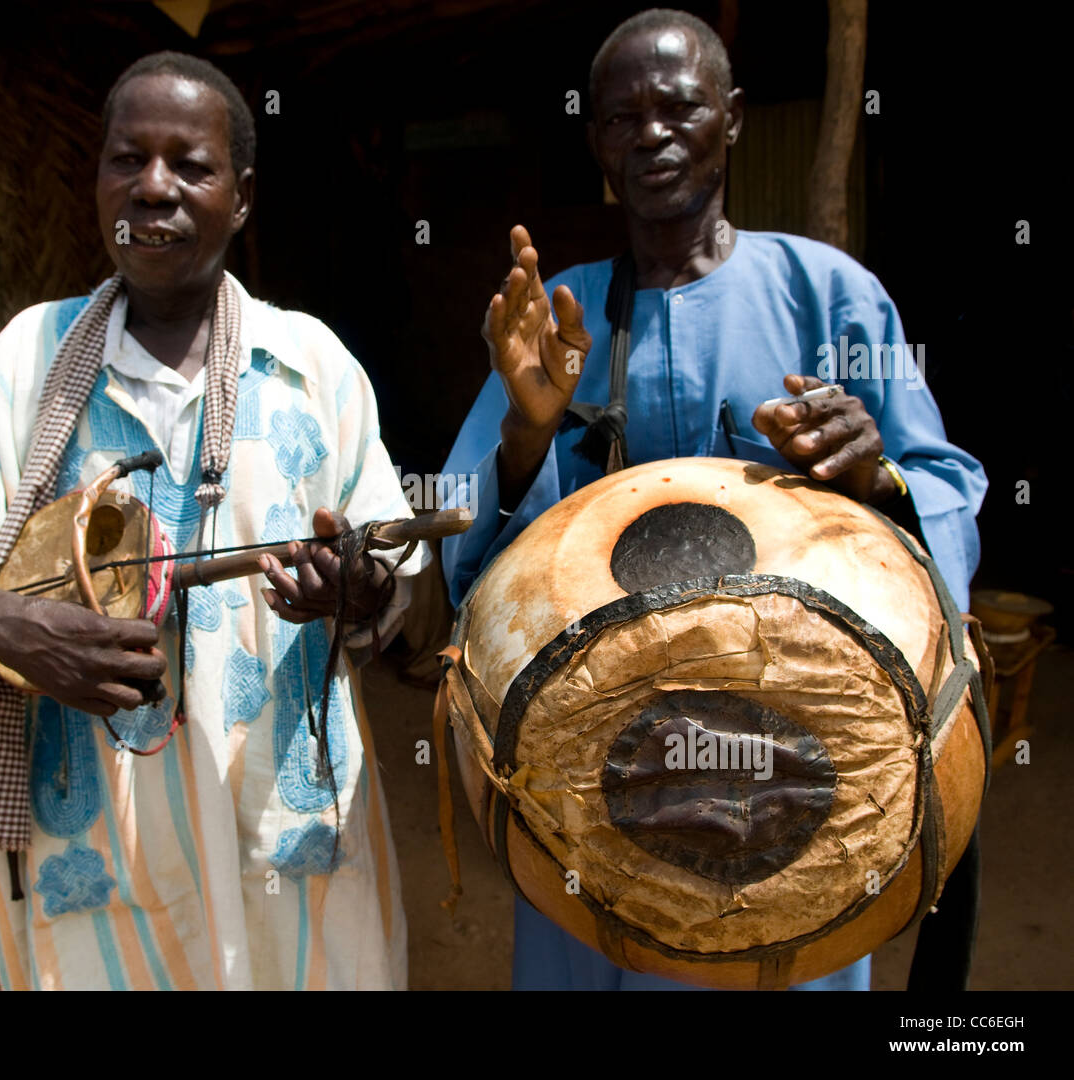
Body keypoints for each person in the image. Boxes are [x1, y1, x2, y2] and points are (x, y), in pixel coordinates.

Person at [440, 9, 986, 991]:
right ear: (596, 142)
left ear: (730, 117)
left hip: (796, 756)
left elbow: (946, 490)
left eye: (679, 107)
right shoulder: (556, 314)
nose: (649, 133)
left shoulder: (833, 296)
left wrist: (874, 479)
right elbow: (469, 568)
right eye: (619, 117)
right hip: (595, 774)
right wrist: (529, 431)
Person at [0, 51, 426, 990]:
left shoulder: (313, 368)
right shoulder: (26, 364)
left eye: (190, 166)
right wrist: (12, 628)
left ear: (242, 197)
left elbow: (398, 578)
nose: (153, 188)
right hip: (97, 854)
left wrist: (356, 588)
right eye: (127, 159)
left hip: (284, 853)